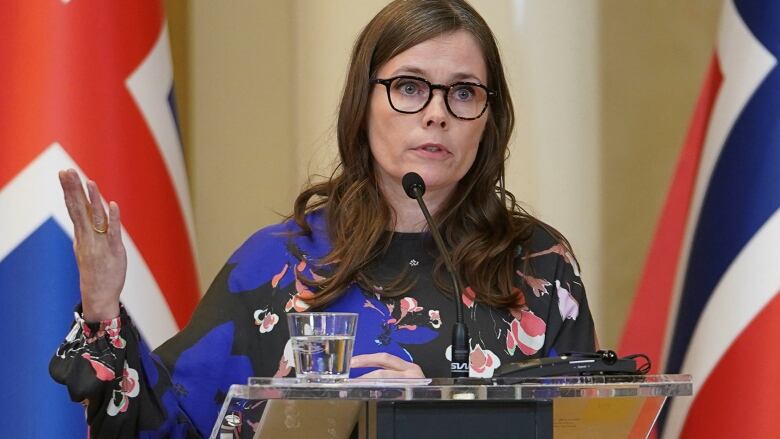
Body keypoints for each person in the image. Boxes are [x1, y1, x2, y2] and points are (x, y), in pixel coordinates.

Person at [50, 0, 596, 437]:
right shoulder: (279, 262)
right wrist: (103, 311)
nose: (436, 113)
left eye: (463, 92)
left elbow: (584, 426)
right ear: (362, 103)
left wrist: (435, 412)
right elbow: (168, 428)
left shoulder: (538, 266)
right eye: (409, 86)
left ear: (488, 118)